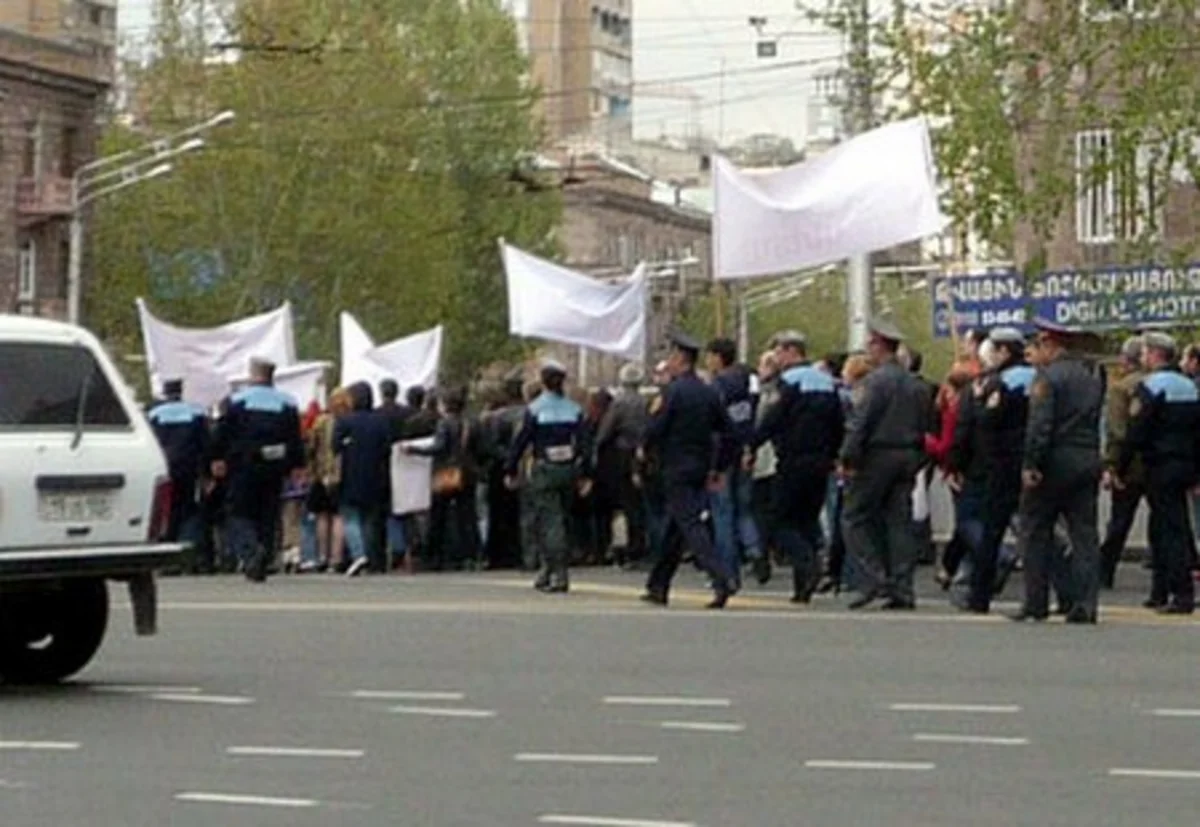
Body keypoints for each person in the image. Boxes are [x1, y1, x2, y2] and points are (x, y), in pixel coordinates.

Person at [1012, 318, 1104, 624]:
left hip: (1054, 462)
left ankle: (1035, 602)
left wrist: (1031, 463)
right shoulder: (1093, 376)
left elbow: (1040, 425)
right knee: (1084, 535)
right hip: (1087, 458)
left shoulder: (1047, 378)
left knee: (1035, 530)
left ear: (1050, 345)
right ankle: (1086, 604)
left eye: (1038, 345)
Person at [838, 318, 932, 610]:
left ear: (880, 346)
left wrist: (848, 457)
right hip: (908, 455)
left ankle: (873, 577)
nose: (868, 348)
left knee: (854, 516)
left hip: (877, 456)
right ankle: (903, 587)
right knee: (899, 522)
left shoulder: (875, 382)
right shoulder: (916, 385)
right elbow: (927, 425)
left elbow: (861, 423)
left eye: (871, 343)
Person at [640, 332, 737, 609]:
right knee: (676, 527)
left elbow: (656, 428)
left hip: (676, 467)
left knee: (691, 524)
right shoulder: (708, 392)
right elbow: (729, 433)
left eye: (672, 356)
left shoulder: (672, 392)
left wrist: (644, 449)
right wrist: (719, 466)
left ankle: (721, 578)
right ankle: (658, 585)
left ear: (680, 359)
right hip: (700, 466)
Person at [751, 330, 844, 604]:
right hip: (821, 462)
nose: (777, 358)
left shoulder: (789, 382)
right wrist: (835, 455)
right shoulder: (827, 383)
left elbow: (773, 419)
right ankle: (802, 588)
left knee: (779, 521)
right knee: (805, 521)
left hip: (793, 459)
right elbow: (838, 423)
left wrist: (752, 445)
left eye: (780, 351)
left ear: (793, 352)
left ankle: (807, 564)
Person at [1118, 331, 1199, 614]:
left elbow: (1136, 431)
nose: (1142, 357)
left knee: (1168, 530)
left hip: (1159, 466)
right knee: (1168, 526)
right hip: (1185, 466)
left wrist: (1120, 467)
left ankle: (1180, 593)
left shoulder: (1151, 387)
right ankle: (1160, 591)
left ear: (1154, 355)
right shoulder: (1189, 386)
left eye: (1144, 352)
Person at [211, 358, 305, 582]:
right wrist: (296, 465)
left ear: (252, 375)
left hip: (243, 464)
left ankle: (252, 551)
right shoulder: (287, 402)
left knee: (239, 512)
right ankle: (264, 555)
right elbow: (295, 438)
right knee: (268, 512)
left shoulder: (237, 401)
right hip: (274, 466)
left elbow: (223, 432)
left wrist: (216, 457)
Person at [504, 360, 590, 593]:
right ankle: (547, 570)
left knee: (549, 521)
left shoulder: (536, 409)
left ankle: (558, 572)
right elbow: (585, 444)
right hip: (568, 468)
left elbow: (521, 441)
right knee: (563, 518)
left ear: (543, 382)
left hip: (545, 468)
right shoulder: (574, 409)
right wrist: (585, 474)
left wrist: (510, 469)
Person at [705, 337, 765, 588]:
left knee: (722, 514)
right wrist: (749, 447)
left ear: (718, 357)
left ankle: (728, 572)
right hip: (744, 451)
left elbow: (716, 427)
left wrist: (714, 465)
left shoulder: (718, 386)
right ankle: (755, 549)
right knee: (744, 509)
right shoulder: (748, 379)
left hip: (724, 456)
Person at [404, 387, 482, 571]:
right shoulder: (472, 423)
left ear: (445, 405)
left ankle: (436, 556)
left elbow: (438, 447)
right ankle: (471, 555)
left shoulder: (444, 424)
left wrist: (413, 450)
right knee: (467, 516)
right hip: (468, 473)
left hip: (446, 472)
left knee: (439, 516)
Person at [147, 378, 210, 571]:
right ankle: (190, 555)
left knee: (167, 510)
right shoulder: (196, 413)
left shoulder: (154, 415)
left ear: (165, 393)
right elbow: (205, 444)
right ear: (181, 392)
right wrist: (206, 471)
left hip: (164, 467)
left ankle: (168, 557)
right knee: (189, 509)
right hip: (189, 468)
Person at [1100, 336, 1147, 589]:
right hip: (1156, 462)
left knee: (1120, 520)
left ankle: (1105, 570)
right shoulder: (1158, 382)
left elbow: (1117, 431)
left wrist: (1111, 465)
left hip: (1130, 465)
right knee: (1164, 520)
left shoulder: (1120, 388)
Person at [334, 382, 393, 576]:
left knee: (350, 516)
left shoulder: (344, 422)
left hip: (350, 474)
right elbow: (387, 448)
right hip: (376, 475)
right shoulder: (381, 421)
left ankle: (359, 554)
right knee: (370, 519)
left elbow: (335, 447)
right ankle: (372, 557)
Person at [596, 363, 651, 568]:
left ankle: (631, 550)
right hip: (643, 454)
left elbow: (605, 432)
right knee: (640, 503)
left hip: (623, 455)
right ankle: (641, 545)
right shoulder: (646, 402)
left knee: (627, 504)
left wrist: (597, 447)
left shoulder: (619, 404)